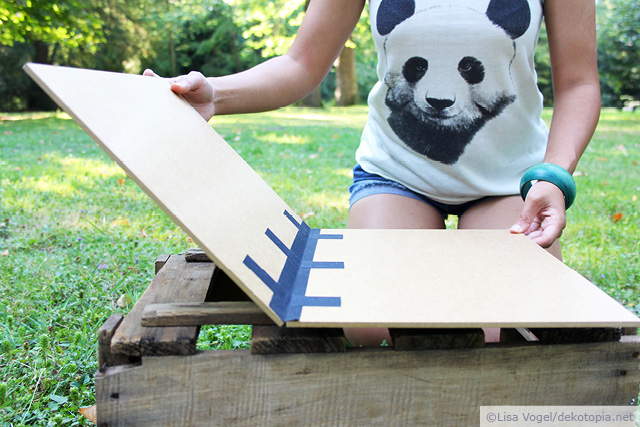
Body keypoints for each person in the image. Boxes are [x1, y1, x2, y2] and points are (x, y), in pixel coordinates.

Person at [144, 0, 600, 346]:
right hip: (397, 174)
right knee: (370, 323)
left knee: (502, 325)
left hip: (509, 181)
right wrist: (215, 95)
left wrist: (553, 176)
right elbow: (301, 64)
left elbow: (579, 83)